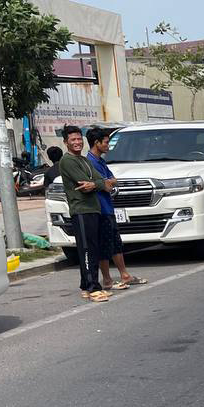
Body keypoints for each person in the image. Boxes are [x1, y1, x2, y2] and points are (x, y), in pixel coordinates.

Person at [86, 127, 147, 292]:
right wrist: (107, 183)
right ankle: (107, 279)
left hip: (108, 208)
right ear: (97, 143)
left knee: (115, 243)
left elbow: (113, 180)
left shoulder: (100, 161)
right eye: (106, 143)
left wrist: (109, 182)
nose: (108, 146)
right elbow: (106, 185)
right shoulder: (91, 162)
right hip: (100, 209)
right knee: (104, 245)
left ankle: (124, 274)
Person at [58, 125, 110, 302]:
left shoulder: (84, 160)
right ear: (66, 142)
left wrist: (95, 184)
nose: (77, 142)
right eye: (73, 139)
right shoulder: (67, 161)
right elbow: (85, 184)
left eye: (79, 139)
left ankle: (86, 286)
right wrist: (97, 184)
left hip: (93, 209)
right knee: (87, 249)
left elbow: (101, 181)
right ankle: (92, 287)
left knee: (93, 248)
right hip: (81, 210)